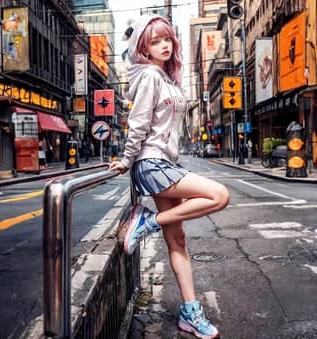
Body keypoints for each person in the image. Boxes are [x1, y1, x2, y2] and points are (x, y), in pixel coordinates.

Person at [109, 15, 229, 339]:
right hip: (152, 163)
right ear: (143, 49)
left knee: (178, 241)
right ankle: (147, 222)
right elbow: (138, 123)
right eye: (155, 41)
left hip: (166, 163)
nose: (164, 44)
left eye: (167, 39)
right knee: (219, 195)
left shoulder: (166, 78)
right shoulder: (149, 75)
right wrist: (125, 159)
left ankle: (190, 312)